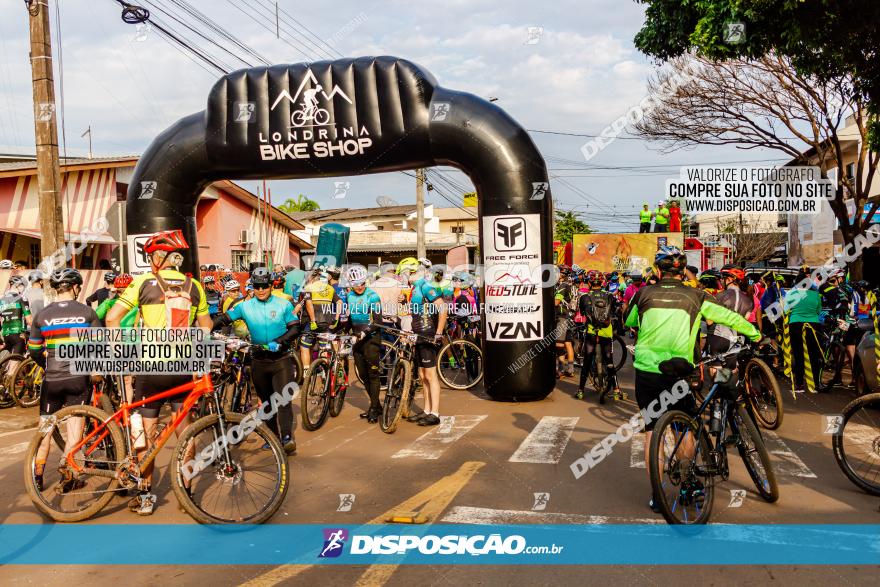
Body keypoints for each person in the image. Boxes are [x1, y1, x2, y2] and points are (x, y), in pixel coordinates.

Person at [624, 247, 760, 513]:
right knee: (685, 427)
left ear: (658, 271)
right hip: (679, 370)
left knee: (652, 431)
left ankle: (656, 494)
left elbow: (629, 321)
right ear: (683, 271)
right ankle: (687, 483)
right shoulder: (698, 295)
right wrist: (755, 335)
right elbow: (730, 318)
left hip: (646, 370)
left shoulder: (643, 294)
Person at [105, 229, 212, 516]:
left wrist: (118, 351)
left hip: (150, 368)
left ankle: (145, 494)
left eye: (152, 255)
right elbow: (207, 326)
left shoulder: (142, 283)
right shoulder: (194, 286)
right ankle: (186, 491)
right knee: (184, 432)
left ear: (158, 257)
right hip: (183, 369)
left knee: (146, 434)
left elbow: (112, 317)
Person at [28, 268, 101, 492]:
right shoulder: (87, 313)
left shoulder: (42, 315)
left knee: (45, 430)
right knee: (74, 432)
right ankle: (69, 476)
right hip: (77, 379)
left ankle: (37, 476)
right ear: (75, 287)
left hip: (52, 380)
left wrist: (47, 366)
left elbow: (33, 349)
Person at [212, 267, 298, 453]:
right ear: (252, 286)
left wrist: (280, 341)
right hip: (258, 360)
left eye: (264, 286)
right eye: (257, 286)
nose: (261, 290)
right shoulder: (244, 306)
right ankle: (274, 437)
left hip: (281, 358)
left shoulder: (283, 304)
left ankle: (287, 437)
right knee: (267, 403)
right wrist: (206, 328)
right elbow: (225, 318)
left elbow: (295, 327)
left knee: (283, 399)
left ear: (271, 285)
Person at [402, 258, 447, 426]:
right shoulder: (414, 289)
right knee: (422, 375)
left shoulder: (425, 286)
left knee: (430, 375)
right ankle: (427, 410)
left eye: (408, 273)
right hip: (418, 334)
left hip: (428, 334)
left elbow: (443, 308)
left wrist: (438, 333)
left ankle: (434, 413)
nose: (406, 276)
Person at [342, 266, 384, 422]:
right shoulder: (349, 296)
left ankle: (373, 408)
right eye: (356, 283)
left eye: (362, 283)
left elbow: (378, 321)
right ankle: (376, 405)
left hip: (371, 338)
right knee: (363, 375)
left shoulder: (373, 296)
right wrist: (340, 331)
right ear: (351, 284)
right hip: (356, 340)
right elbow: (349, 320)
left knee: (373, 375)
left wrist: (363, 333)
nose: (359, 286)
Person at [576, 270, 622, 400]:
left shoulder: (584, 297)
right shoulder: (609, 296)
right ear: (602, 282)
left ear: (589, 283)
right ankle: (617, 390)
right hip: (606, 332)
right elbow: (613, 312)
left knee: (587, 361)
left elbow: (582, 313)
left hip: (591, 332)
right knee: (609, 361)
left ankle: (580, 391)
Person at [785, 276, 823, 393]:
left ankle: (800, 385)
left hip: (795, 324)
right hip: (813, 325)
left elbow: (786, 310)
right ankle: (816, 384)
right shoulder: (815, 295)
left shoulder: (791, 293)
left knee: (798, 354)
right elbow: (818, 310)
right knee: (813, 354)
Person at [300, 268, 341, 372]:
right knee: (324, 348)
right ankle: (325, 373)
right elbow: (339, 302)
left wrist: (313, 320)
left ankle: (306, 372)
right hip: (327, 322)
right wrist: (336, 319)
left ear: (313, 277)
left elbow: (309, 305)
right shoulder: (330, 288)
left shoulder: (309, 287)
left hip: (313, 322)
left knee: (305, 346)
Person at [0, 275, 31, 379]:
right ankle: (7, 388)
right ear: (18, 286)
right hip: (19, 335)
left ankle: (5, 378)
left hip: (6, 335)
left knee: (10, 361)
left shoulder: (2, 299)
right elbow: (29, 320)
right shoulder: (21, 298)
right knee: (14, 366)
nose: (23, 289)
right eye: (23, 286)